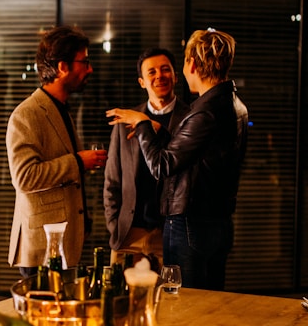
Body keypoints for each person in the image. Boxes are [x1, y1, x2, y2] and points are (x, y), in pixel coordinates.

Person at [106, 29, 249, 291]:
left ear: (191, 64)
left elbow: (162, 166)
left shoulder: (203, 112)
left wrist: (142, 125)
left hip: (191, 225)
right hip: (216, 222)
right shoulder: (235, 105)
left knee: (187, 305)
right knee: (209, 302)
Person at [6, 25, 106, 278]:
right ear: (63, 67)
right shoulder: (27, 113)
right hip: (40, 248)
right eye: (84, 62)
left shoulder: (60, 108)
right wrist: (78, 162)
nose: (90, 69)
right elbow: (25, 177)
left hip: (61, 243)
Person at [103, 47, 190, 268]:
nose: (159, 76)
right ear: (142, 82)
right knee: (120, 300)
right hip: (128, 232)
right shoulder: (126, 121)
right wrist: (114, 225)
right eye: (151, 72)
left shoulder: (190, 119)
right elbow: (112, 180)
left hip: (169, 231)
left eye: (165, 70)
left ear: (176, 76)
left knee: (171, 300)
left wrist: (155, 129)